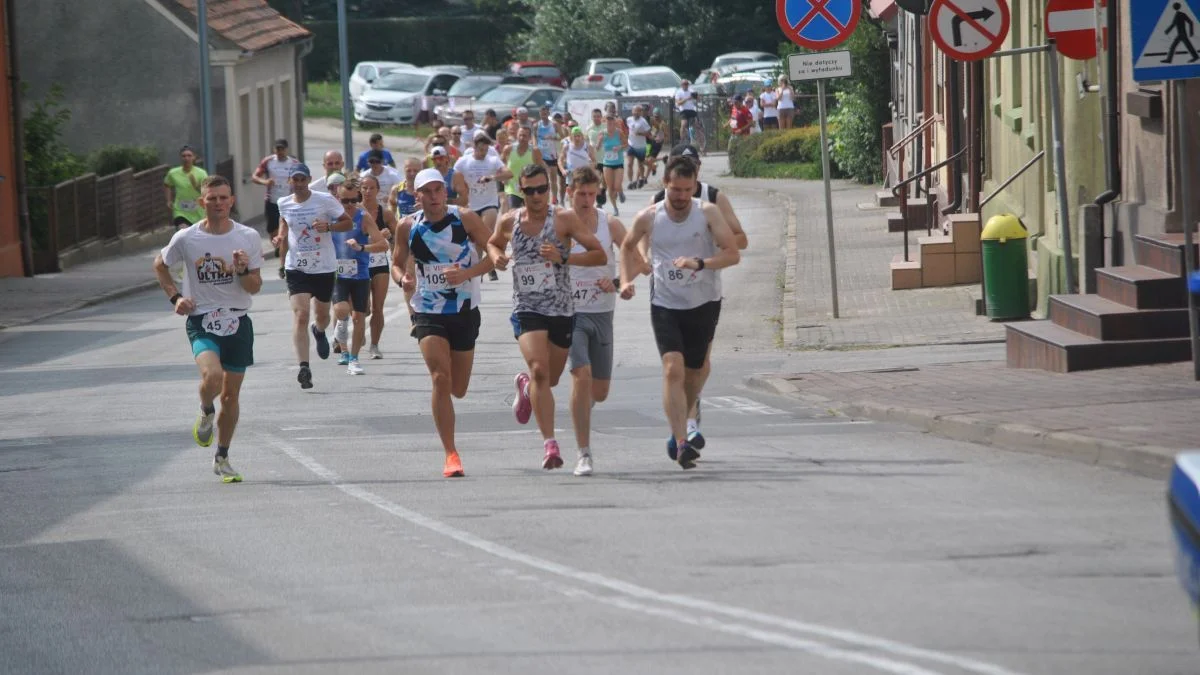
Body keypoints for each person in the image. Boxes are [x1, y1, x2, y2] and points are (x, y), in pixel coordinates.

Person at [619, 157, 740, 469]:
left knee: (694, 372)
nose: (681, 196)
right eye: (675, 189)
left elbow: (733, 254)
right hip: (665, 303)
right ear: (665, 185)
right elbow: (627, 245)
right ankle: (682, 440)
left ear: (694, 186)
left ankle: (683, 421)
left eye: (687, 190)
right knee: (673, 368)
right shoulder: (649, 216)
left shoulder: (707, 212)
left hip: (704, 302)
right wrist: (625, 280)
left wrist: (699, 263)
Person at [488, 164, 607, 471]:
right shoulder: (509, 220)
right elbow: (492, 242)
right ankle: (549, 444)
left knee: (549, 379)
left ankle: (526, 388)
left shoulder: (563, 219)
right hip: (527, 308)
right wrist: (496, 256)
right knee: (540, 369)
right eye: (530, 191)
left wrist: (564, 257)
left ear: (549, 190)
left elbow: (599, 254)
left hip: (562, 309)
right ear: (521, 190)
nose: (537, 196)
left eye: (542, 189)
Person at [152, 175, 263, 483]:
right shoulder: (187, 238)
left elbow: (254, 287)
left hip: (238, 321)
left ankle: (222, 456)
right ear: (202, 202)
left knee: (230, 397)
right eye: (211, 198)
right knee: (212, 377)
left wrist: (241, 270)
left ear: (232, 201)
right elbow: (159, 264)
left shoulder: (249, 237)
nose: (218, 203)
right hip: (202, 320)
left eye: (223, 198)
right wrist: (175, 297)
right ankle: (204, 410)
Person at [392, 168, 496, 477]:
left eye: (439, 189)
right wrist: (403, 279)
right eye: (428, 191)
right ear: (418, 195)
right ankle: (451, 453)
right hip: (427, 309)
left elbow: (494, 253)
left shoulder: (463, 218)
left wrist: (465, 274)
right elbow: (396, 264)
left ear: (444, 192)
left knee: (459, 388)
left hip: (464, 308)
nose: (435, 196)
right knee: (439, 377)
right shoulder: (407, 225)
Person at [648, 144, 749, 444]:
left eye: (692, 165)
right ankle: (687, 425)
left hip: (705, 292)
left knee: (701, 365)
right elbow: (643, 238)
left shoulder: (713, 198)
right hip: (669, 294)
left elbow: (740, 240)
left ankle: (691, 404)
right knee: (675, 366)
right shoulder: (660, 202)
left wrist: (711, 245)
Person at [565, 167, 628, 476]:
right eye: (581, 195)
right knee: (581, 374)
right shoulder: (559, 225)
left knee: (599, 392)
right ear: (569, 194)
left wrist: (616, 281)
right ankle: (584, 453)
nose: (588, 200)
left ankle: (579, 412)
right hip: (569, 312)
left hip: (603, 311)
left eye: (592, 194)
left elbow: (635, 254)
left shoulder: (609, 223)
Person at [271, 163, 354, 390]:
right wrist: (279, 238)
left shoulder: (324, 200)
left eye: (301, 180)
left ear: (308, 180)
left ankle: (319, 331)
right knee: (300, 315)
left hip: (324, 266)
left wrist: (329, 227)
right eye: (294, 180)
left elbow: (348, 222)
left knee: (322, 316)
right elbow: (284, 225)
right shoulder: (283, 203)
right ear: (289, 182)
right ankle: (304, 367)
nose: (298, 184)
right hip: (297, 266)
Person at [330, 176, 388, 374]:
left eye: (354, 200)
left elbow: (383, 244)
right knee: (342, 310)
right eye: (345, 201)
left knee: (359, 318)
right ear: (337, 199)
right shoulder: (331, 217)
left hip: (360, 274)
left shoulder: (363, 217)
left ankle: (352, 359)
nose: (349, 205)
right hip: (338, 274)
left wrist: (362, 247)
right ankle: (341, 330)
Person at [454, 131, 512, 280]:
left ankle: (486, 265)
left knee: (484, 235)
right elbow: (454, 177)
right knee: (474, 241)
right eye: (480, 149)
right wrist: (460, 189)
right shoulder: (463, 161)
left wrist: (492, 177)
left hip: (489, 203)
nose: (483, 153)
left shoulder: (492, 160)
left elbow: (508, 173)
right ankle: (479, 268)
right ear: (474, 147)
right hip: (471, 204)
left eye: (486, 150)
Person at [361, 174, 398, 358]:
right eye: (364, 188)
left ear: (377, 190)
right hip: (359, 264)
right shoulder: (353, 212)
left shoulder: (386, 214)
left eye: (371, 188)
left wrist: (389, 236)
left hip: (379, 263)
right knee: (363, 308)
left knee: (377, 307)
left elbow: (398, 238)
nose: (367, 192)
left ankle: (374, 345)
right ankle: (359, 330)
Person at [251, 138, 300, 271]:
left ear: (286, 149)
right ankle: (279, 248)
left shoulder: (294, 163)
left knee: (286, 228)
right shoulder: (268, 161)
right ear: (274, 150)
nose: (280, 151)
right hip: (272, 200)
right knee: (272, 229)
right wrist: (265, 182)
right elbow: (254, 177)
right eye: (277, 149)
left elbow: (303, 178)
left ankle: (285, 253)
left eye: (282, 149)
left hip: (289, 201)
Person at [164, 145, 209, 229]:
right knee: (184, 232)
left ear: (194, 158)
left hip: (198, 211)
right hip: (180, 211)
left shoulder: (201, 173)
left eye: (189, 156)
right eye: (183, 156)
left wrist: (196, 186)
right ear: (180, 158)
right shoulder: (173, 173)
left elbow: (207, 192)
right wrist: (168, 200)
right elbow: (167, 184)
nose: (186, 158)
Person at [503, 126, 544, 211]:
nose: (522, 138)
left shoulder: (535, 151)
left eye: (525, 136)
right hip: (512, 188)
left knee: (530, 214)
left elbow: (540, 169)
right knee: (513, 212)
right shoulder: (508, 149)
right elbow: (501, 164)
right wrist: (503, 176)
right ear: (516, 136)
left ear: (529, 138)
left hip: (530, 189)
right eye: (520, 135)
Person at [595, 112, 627, 215]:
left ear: (615, 123)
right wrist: (599, 142)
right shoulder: (602, 133)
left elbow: (626, 144)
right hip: (607, 163)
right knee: (610, 187)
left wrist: (620, 147)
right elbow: (597, 148)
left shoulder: (619, 132)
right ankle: (615, 208)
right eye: (608, 124)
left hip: (618, 162)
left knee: (617, 186)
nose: (610, 126)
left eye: (612, 124)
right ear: (605, 124)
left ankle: (620, 191)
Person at [535, 105, 564, 205]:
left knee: (553, 179)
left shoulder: (554, 124)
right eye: (541, 113)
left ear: (548, 113)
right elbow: (533, 138)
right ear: (539, 113)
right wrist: (535, 148)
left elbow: (563, 137)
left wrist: (554, 137)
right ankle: (544, 199)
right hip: (540, 155)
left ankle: (554, 199)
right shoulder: (536, 125)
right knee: (541, 179)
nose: (543, 115)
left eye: (545, 113)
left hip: (551, 155)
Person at [625, 104, 652, 190]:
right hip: (631, 145)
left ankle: (641, 178)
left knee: (640, 165)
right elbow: (627, 129)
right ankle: (630, 182)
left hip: (640, 146)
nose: (636, 113)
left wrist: (640, 134)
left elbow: (648, 133)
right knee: (629, 164)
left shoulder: (643, 121)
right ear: (632, 111)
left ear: (641, 112)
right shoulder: (629, 119)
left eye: (638, 111)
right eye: (634, 111)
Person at [646, 112, 667, 178]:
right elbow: (651, 132)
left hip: (657, 143)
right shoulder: (652, 121)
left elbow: (666, 135)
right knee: (646, 159)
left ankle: (645, 178)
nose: (656, 118)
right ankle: (661, 160)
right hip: (649, 142)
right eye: (655, 116)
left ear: (660, 116)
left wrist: (662, 141)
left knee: (649, 160)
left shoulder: (663, 124)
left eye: (657, 116)